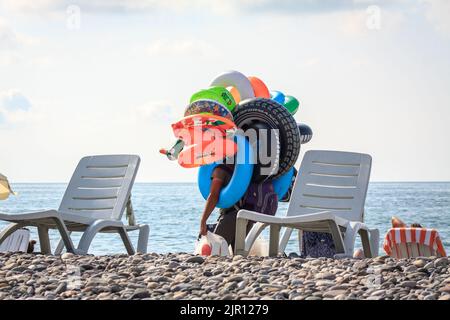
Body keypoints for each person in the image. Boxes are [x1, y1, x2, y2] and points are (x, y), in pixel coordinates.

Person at [199, 162, 278, 250]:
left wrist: (203, 221)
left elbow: (213, 196)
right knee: (237, 253)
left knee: (214, 251)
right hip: (246, 218)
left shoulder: (220, 170)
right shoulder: (248, 171)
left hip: (231, 218)